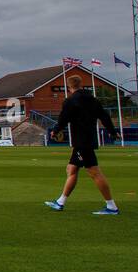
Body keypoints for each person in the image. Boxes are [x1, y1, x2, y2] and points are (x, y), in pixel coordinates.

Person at [45, 75, 121, 215]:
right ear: (81, 85)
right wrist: (113, 132)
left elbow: (63, 119)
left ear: (69, 87)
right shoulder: (93, 100)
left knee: (94, 172)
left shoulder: (70, 101)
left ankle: (111, 206)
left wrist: (55, 132)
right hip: (89, 139)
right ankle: (60, 202)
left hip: (81, 142)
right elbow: (104, 116)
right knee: (72, 169)